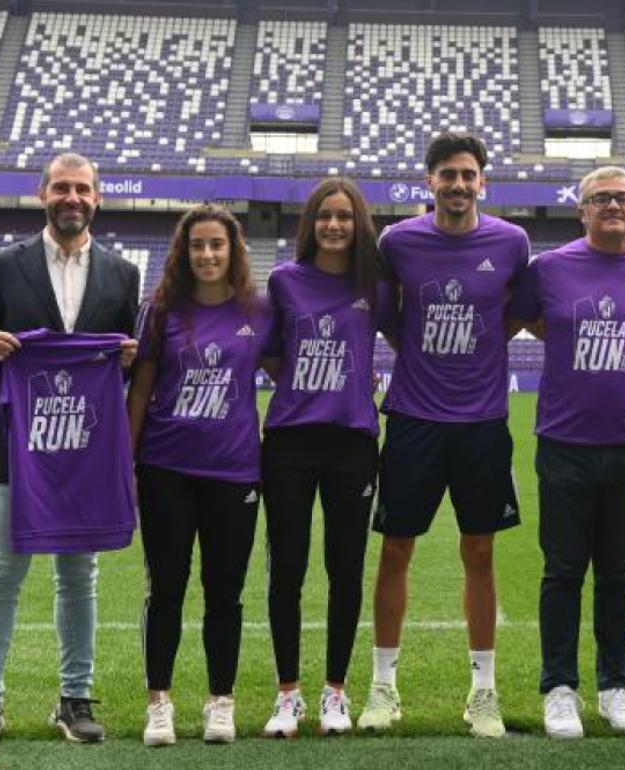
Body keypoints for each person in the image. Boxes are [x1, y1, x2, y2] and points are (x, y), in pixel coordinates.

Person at [0, 152, 140, 754]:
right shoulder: (4, 265)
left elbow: (125, 362)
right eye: (62, 188)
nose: (72, 198)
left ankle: (75, 699)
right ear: (42, 195)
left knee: (78, 577)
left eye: (82, 189)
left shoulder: (120, 273)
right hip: (15, 450)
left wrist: (131, 359)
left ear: (98, 197)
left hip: (83, 450)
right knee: (1, 574)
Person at [359, 132, 529, 739]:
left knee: (480, 551)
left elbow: (512, 313)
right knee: (396, 549)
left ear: (482, 181)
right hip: (413, 418)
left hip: (482, 423)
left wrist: (480, 352)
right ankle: (383, 687)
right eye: (447, 175)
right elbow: (388, 318)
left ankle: (483, 692)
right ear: (429, 181)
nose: (458, 185)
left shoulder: (511, 242)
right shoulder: (398, 242)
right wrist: (420, 358)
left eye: (468, 175)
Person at [510, 166, 625, 740]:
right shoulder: (549, 269)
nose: (613, 205)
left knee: (619, 571)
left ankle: (616, 685)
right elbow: (530, 321)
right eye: (600, 199)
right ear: (581, 210)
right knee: (562, 570)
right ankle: (559, 688)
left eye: (623, 198)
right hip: (564, 442)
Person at [127, 204, 271, 745]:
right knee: (165, 588)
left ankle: (220, 701)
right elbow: (140, 389)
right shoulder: (160, 310)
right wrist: (129, 462)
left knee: (225, 593)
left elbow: (286, 369)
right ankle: (158, 702)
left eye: (217, 245)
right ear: (184, 253)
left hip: (234, 473)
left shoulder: (258, 311)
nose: (208, 254)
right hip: (166, 469)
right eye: (198, 246)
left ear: (233, 251)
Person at [259, 178, 386, 737]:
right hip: (289, 441)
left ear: (359, 224)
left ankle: (336, 691)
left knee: (345, 568)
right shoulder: (284, 281)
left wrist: (355, 384)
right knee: (286, 568)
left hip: (353, 443)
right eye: (324, 216)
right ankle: (288, 693)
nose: (334, 225)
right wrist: (307, 385)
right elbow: (265, 351)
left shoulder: (376, 284)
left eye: (345, 216)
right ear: (309, 224)